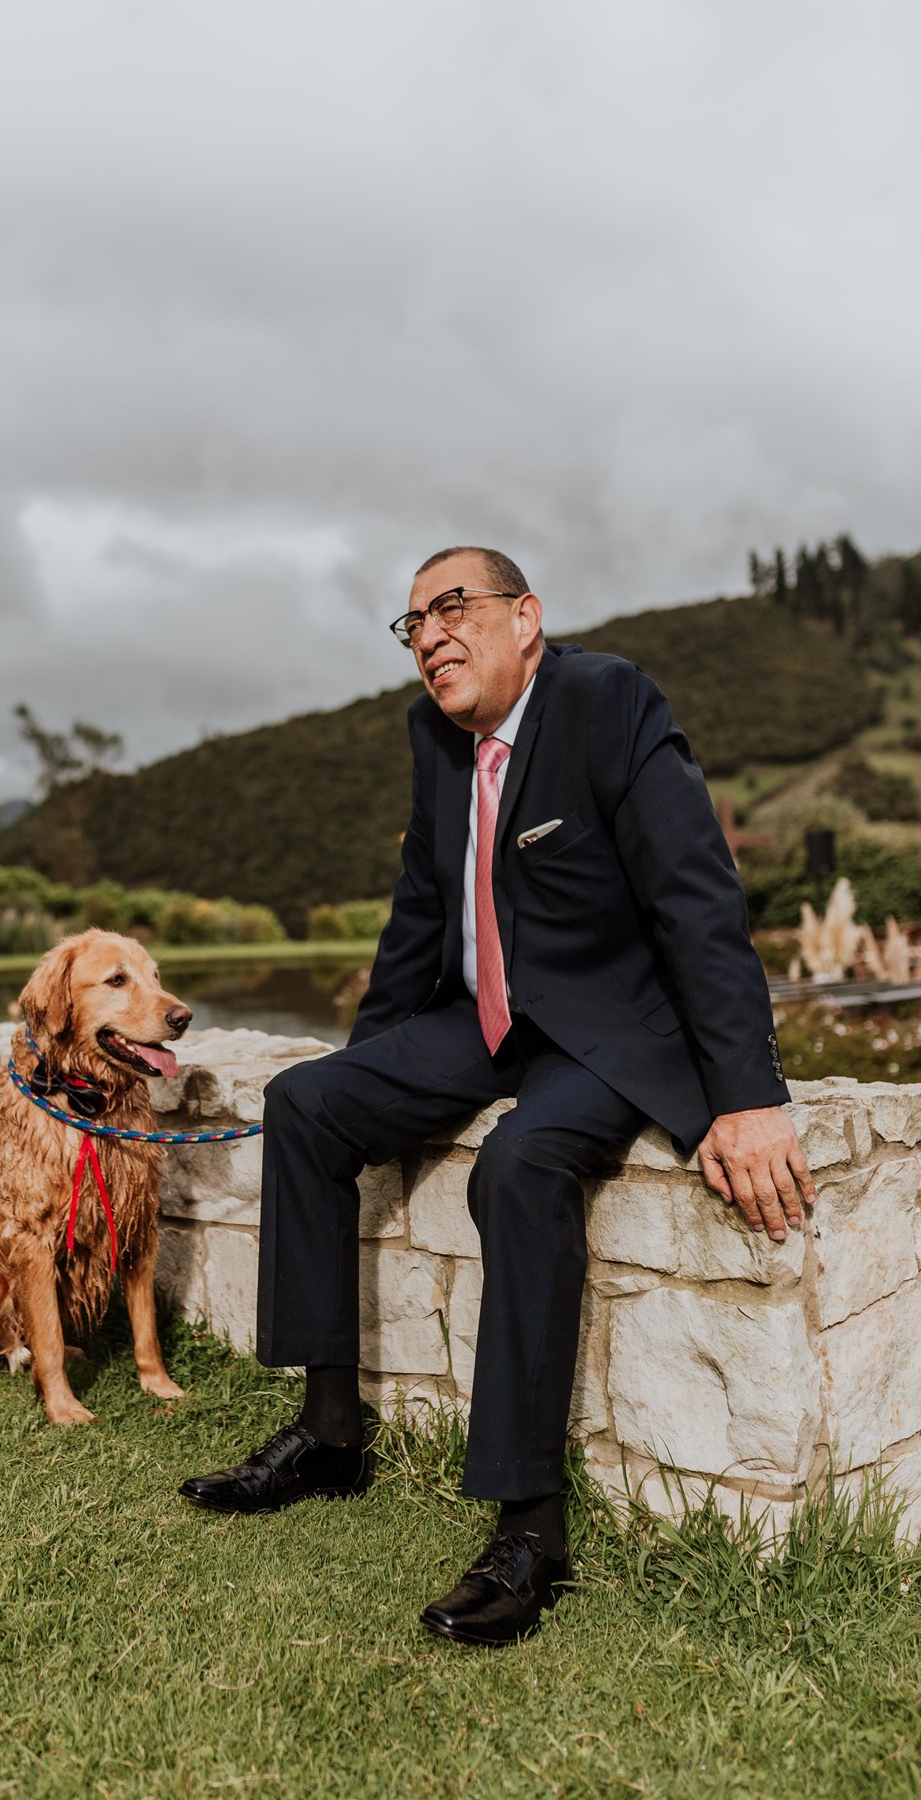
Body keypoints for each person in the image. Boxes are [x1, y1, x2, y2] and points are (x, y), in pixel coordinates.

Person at [179, 545, 817, 1647]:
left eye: (452, 608)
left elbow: (696, 901)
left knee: (521, 1165)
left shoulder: (608, 702)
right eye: (411, 621)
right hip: (476, 1026)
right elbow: (420, 915)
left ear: (526, 617)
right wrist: (367, 1068)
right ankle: (330, 1435)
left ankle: (531, 1531)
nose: (428, 634)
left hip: (601, 1032)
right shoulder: (436, 739)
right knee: (306, 1105)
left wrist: (749, 1094)